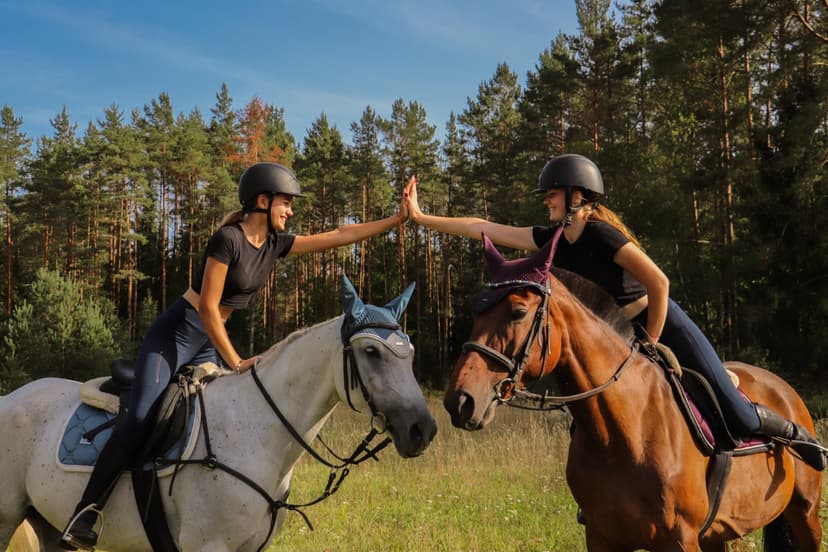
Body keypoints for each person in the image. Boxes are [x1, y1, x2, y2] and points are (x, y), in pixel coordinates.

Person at [60, 162, 409, 550]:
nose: (290, 211)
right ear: (263, 201)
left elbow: (341, 234)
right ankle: (85, 512)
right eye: (286, 203)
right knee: (141, 417)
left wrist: (396, 218)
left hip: (210, 339)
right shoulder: (227, 239)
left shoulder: (275, 244)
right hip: (176, 335)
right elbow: (208, 308)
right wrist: (237, 361)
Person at [404, 153, 825, 471]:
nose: (546, 200)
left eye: (552, 192)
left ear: (576, 196)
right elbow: (485, 227)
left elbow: (659, 284)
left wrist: (652, 342)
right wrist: (423, 218)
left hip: (659, 325)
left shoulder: (603, 235)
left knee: (734, 412)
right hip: (612, 339)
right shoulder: (552, 238)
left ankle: (794, 434)